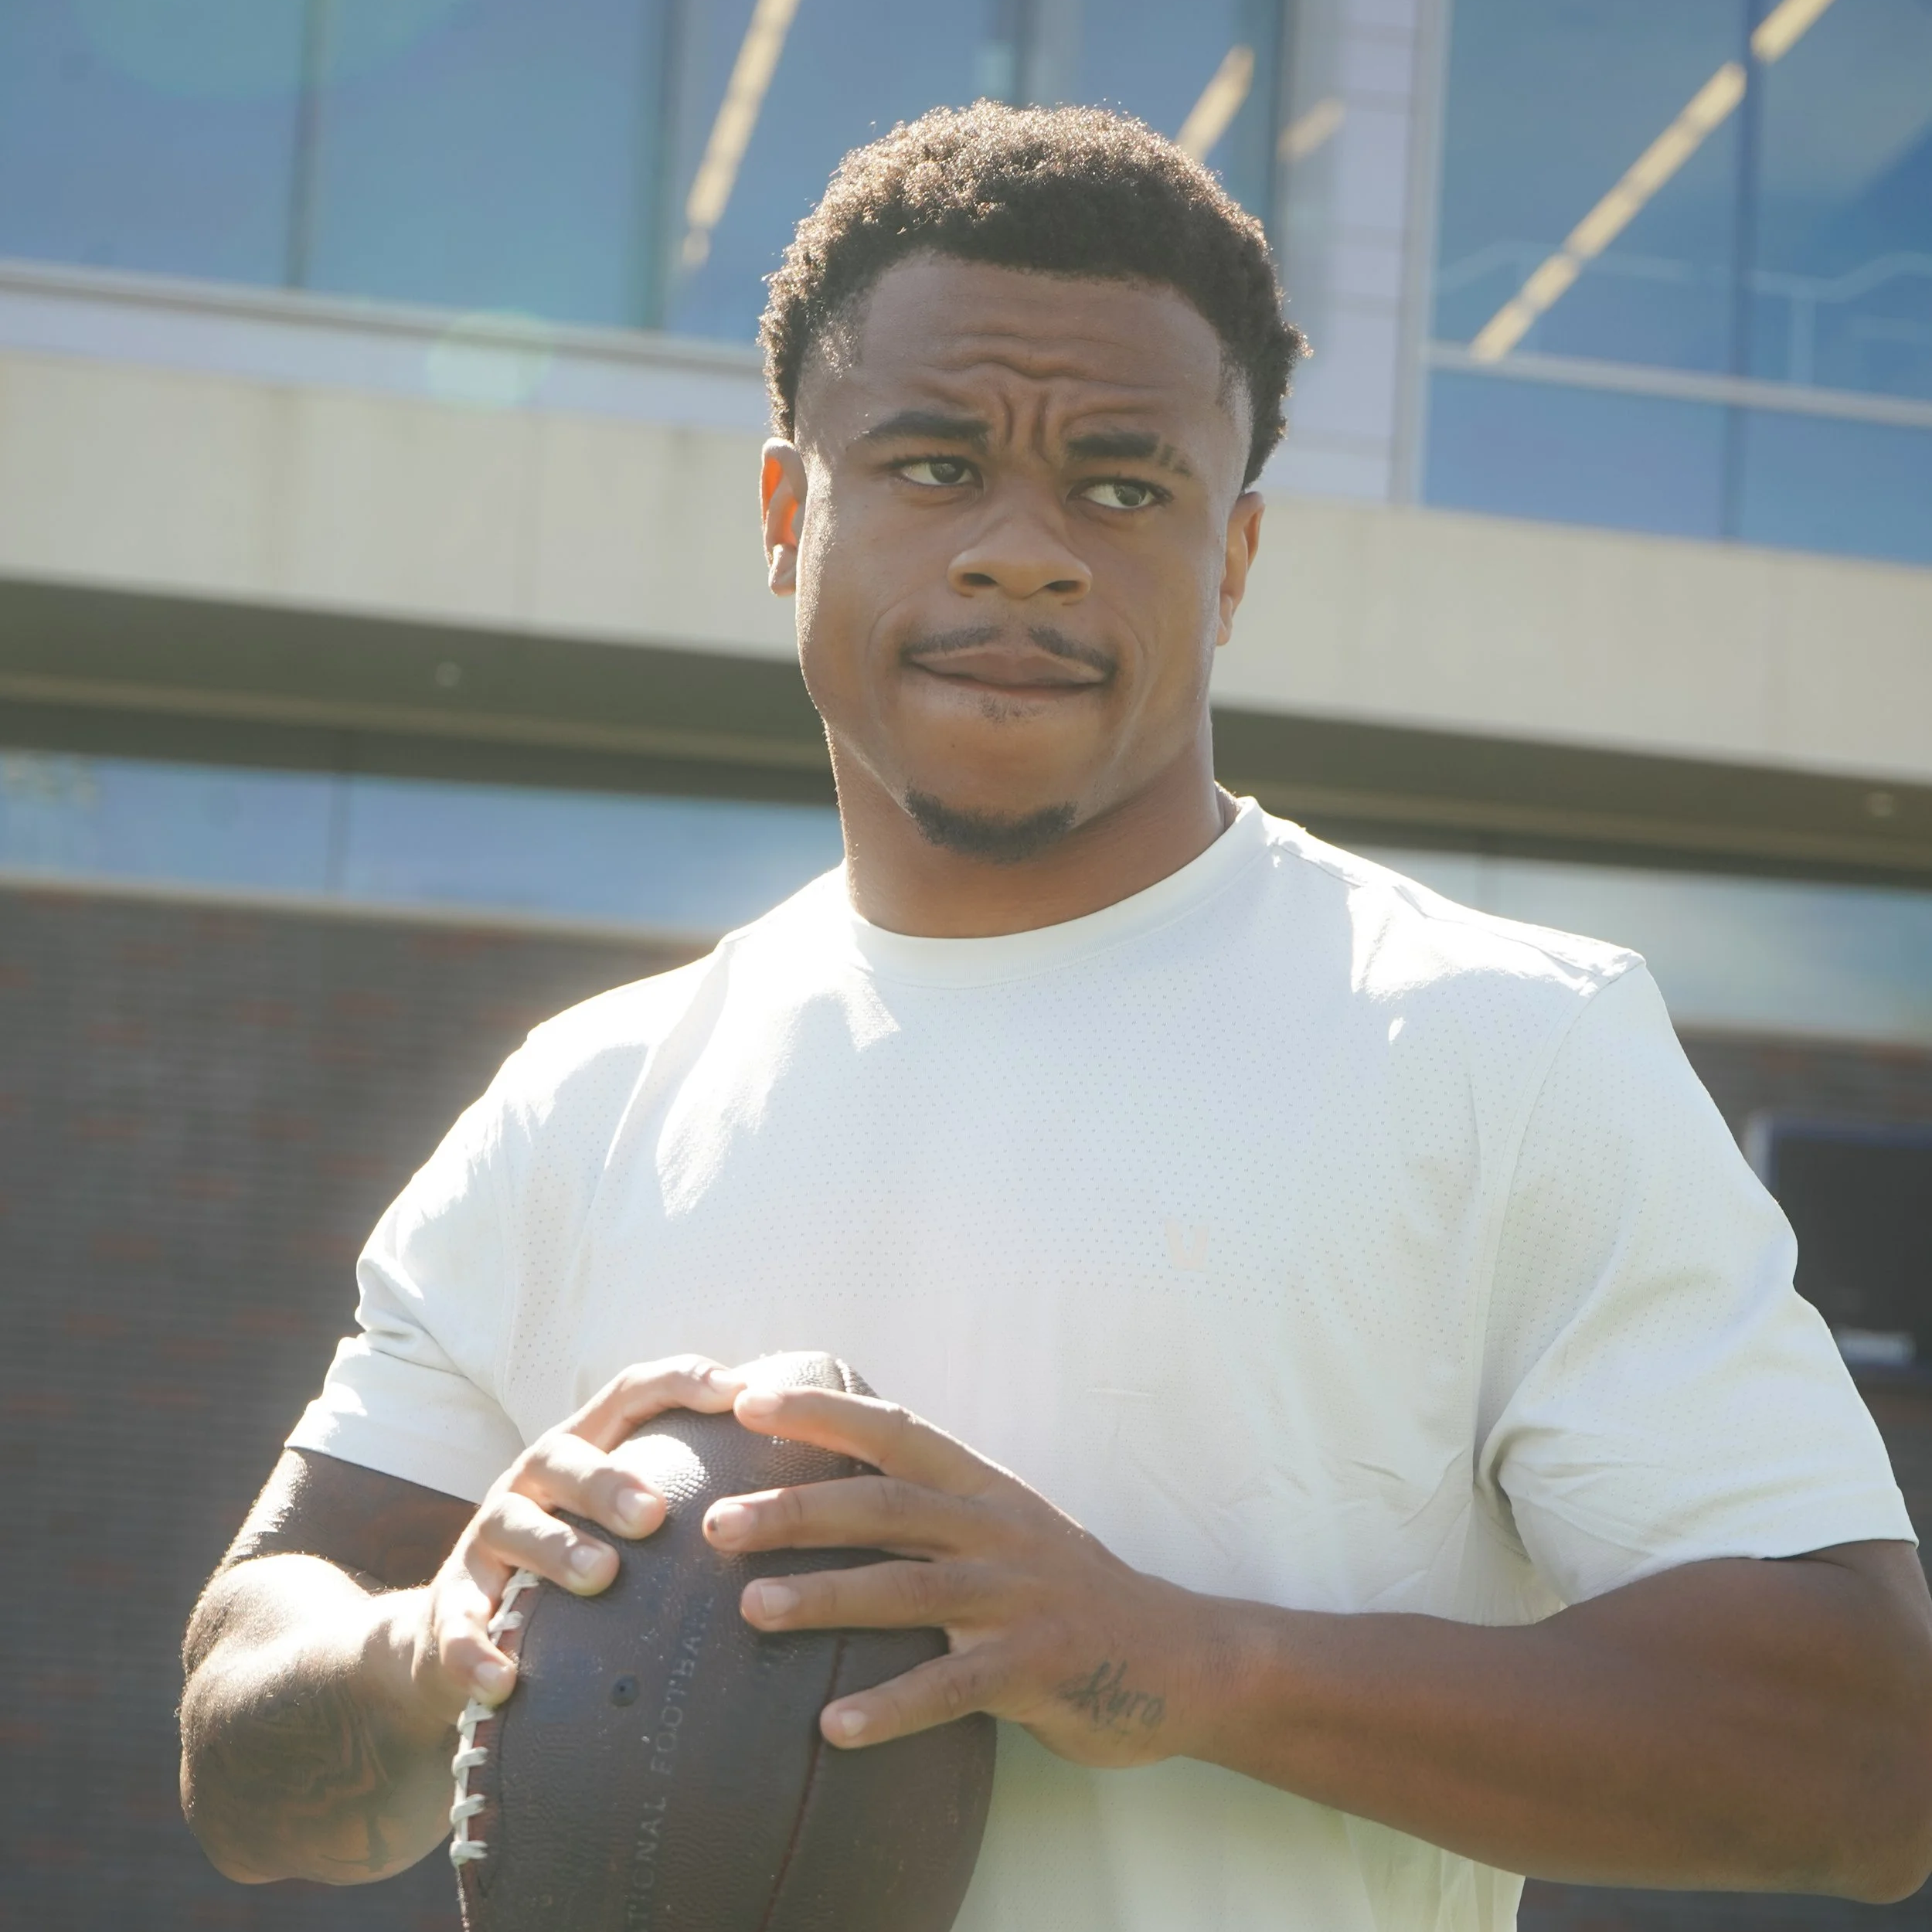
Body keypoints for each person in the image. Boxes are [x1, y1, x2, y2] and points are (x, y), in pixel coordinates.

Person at [179, 104, 1932, 1929]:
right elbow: (243, 1733)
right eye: (934, 464)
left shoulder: (1502, 1044)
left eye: (1121, 484)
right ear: (790, 514)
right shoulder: (583, 1096)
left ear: (1231, 560)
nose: (1025, 550)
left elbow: (1863, 1759)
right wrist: (422, 1641)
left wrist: (1182, 1661)